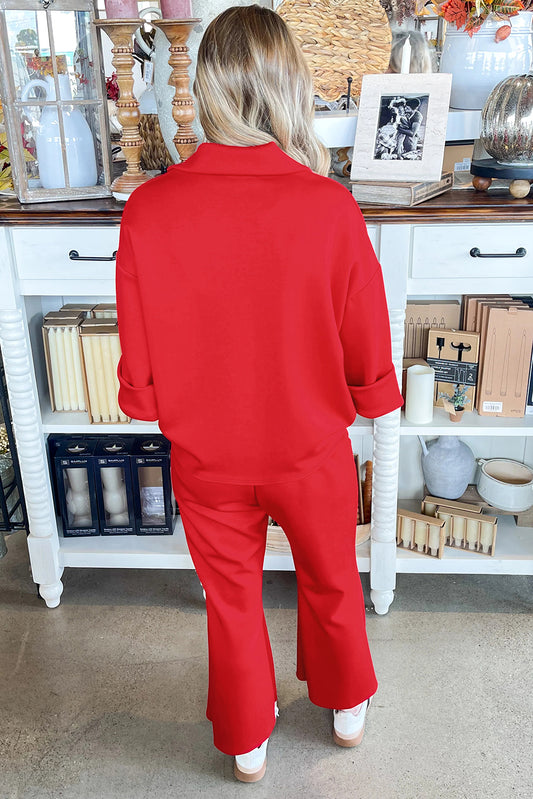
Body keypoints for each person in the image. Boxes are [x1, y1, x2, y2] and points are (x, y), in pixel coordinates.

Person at [115, 4, 403, 784]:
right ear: (288, 86)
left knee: (231, 596)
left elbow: (138, 338)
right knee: (330, 574)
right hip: (308, 448)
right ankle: (344, 704)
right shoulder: (328, 207)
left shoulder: (148, 209)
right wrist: (374, 396)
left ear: (207, 88)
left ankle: (246, 737)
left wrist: (145, 398)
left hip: (206, 453)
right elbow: (363, 328)